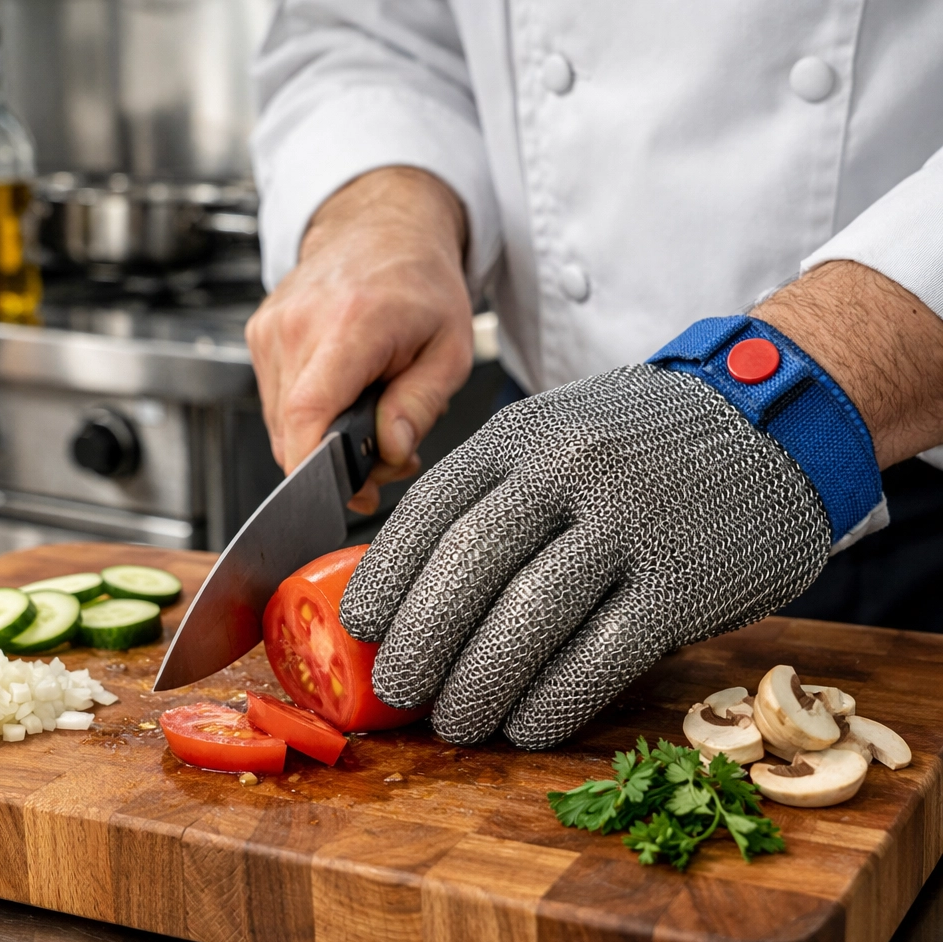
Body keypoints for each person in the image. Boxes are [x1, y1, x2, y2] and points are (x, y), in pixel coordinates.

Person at [245, 3, 943, 750]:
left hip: (903, 491)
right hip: (539, 467)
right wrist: (383, 211)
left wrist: (805, 388)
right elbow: (371, 31)